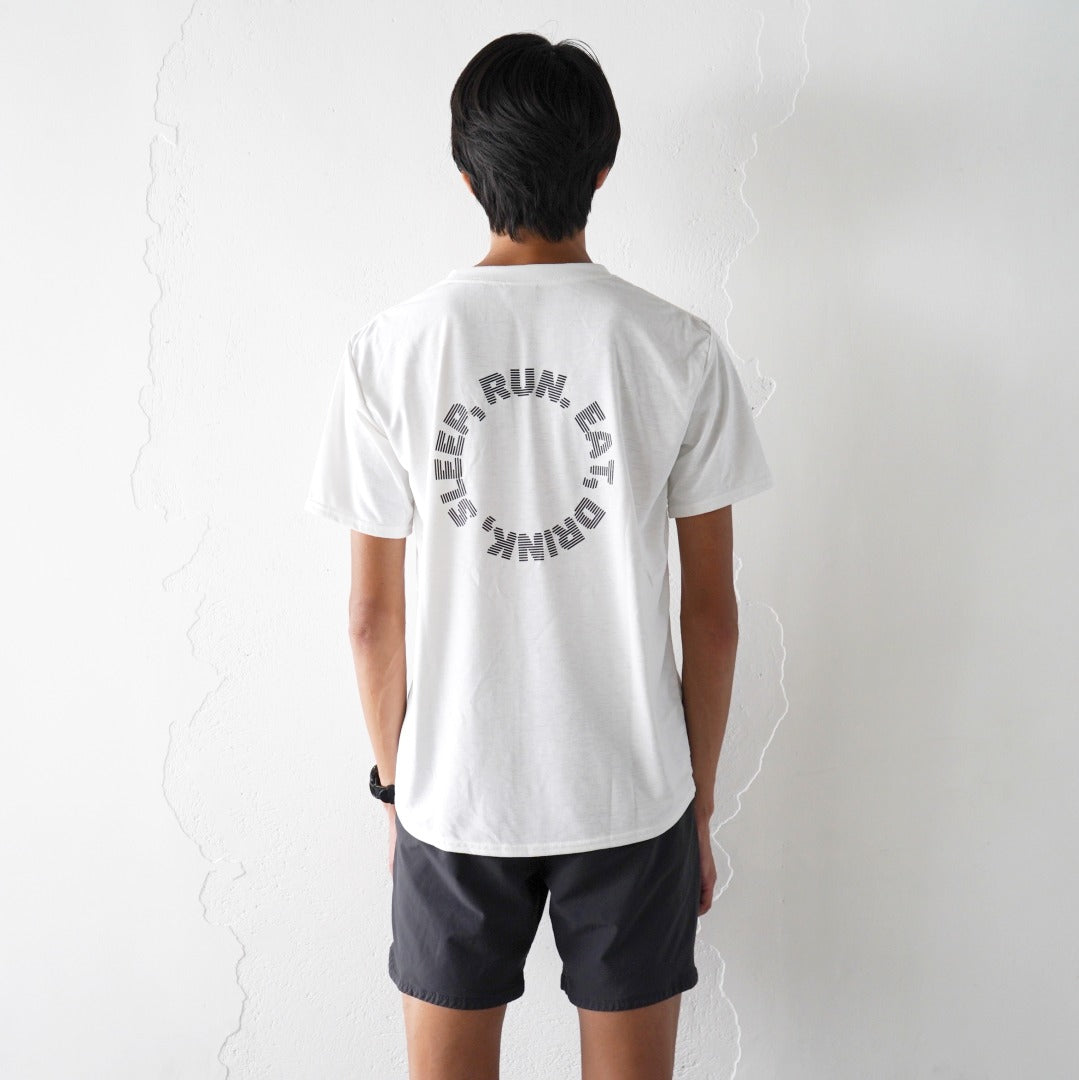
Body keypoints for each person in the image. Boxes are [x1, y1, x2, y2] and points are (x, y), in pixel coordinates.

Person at [304, 30, 775, 1080]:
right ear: (603, 168)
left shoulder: (387, 351)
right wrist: (695, 804)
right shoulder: (678, 348)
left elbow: (370, 618)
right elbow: (711, 614)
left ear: (465, 172)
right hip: (632, 792)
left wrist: (399, 792)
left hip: (455, 795)